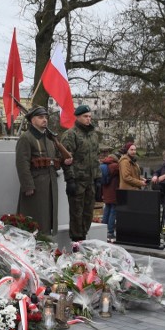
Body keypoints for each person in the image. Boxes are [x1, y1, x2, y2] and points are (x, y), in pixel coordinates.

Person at [15, 106, 71, 237]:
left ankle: (46, 242)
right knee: (35, 217)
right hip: (36, 184)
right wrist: (28, 185)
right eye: (41, 117)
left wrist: (63, 161)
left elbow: (53, 160)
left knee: (47, 217)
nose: (44, 120)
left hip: (50, 183)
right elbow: (22, 164)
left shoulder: (49, 139)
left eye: (46, 117)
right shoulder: (26, 138)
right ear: (32, 120)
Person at [61, 104, 102, 242]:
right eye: (85, 116)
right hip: (77, 181)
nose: (88, 119)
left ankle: (83, 238)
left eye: (90, 116)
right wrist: (70, 179)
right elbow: (66, 158)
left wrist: (98, 178)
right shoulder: (70, 135)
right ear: (77, 117)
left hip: (90, 181)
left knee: (88, 213)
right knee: (76, 214)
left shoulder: (93, 135)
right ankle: (76, 241)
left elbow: (96, 158)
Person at [99, 145, 120, 243]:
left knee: (107, 210)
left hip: (106, 192)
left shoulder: (104, 165)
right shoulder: (115, 166)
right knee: (113, 212)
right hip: (113, 192)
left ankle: (103, 229)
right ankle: (110, 231)